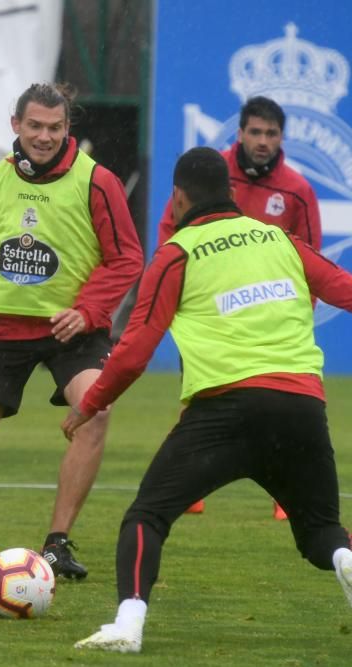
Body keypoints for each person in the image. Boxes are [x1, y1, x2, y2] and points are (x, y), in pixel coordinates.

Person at [66, 146, 352, 654]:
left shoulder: (179, 251)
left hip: (226, 411)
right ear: (232, 192)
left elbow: (133, 353)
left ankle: (128, 624)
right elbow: (343, 289)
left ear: (178, 198)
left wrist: (89, 404)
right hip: (300, 408)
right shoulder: (280, 239)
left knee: (147, 516)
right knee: (321, 534)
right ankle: (345, 560)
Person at [0, 82, 143, 579]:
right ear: (15, 125)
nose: (44, 136)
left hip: (72, 330)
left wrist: (89, 309)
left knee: (95, 412)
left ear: (67, 128)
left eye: (55, 127)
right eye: (34, 125)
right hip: (1, 329)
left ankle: (57, 542)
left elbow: (126, 259)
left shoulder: (98, 182)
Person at [158, 96, 321, 520]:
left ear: (282, 138)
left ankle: (285, 494)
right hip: (209, 308)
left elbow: (311, 256)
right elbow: (169, 230)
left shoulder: (296, 190)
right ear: (240, 133)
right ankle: (190, 483)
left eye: (271, 133)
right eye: (255, 132)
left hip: (268, 315)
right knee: (199, 391)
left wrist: (301, 311)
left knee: (279, 398)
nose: (263, 141)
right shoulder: (208, 174)